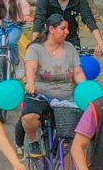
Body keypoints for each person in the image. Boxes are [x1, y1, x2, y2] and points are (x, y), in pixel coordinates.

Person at [20, 14, 87, 158]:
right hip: (41, 95)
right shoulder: (36, 49)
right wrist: (31, 82)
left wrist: (86, 89)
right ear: (51, 29)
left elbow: (78, 72)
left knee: (79, 130)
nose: (67, 32)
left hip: (66, 98)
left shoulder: (70, 48)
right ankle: (34, 142)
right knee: (29, 118)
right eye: (63, 29)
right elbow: (30, 68)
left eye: (67, 28)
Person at [31, 0, 103, 56]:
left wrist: (100, 42)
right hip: (49, 39)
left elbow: (89, 19)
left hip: (71, 40)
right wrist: (34, 44)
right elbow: (39, 20)